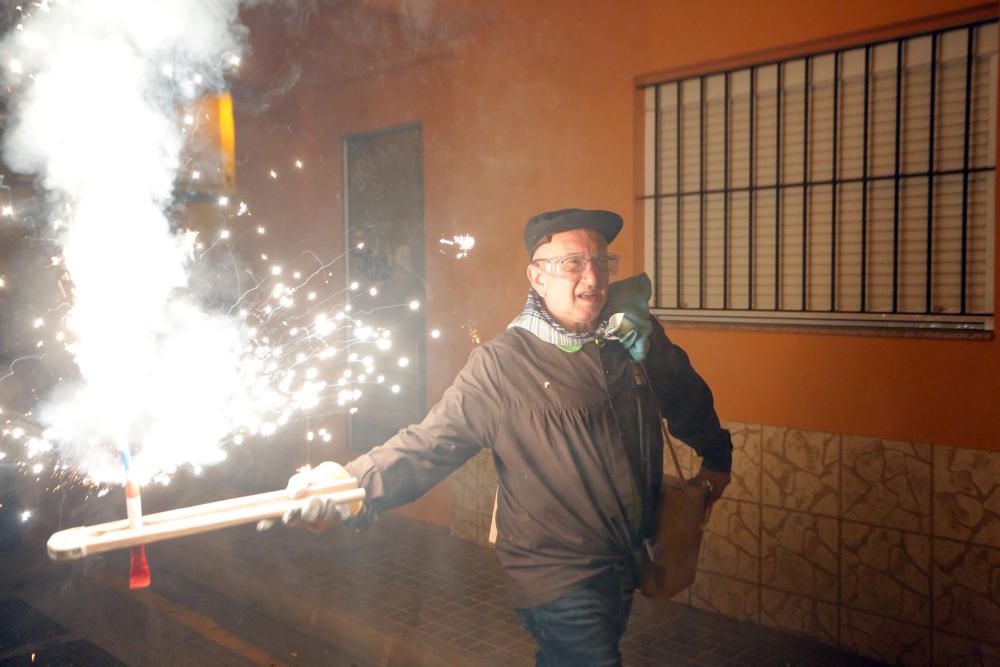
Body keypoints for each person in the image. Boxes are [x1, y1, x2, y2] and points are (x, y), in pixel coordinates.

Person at [284, 209, 733, 666]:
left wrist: (716, 454)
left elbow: (684, 396)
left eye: (602, 261)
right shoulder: (502, 365)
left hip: (626, 557)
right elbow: (430, 443)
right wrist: (350, 486)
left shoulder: (628, 338)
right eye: (572, 263)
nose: (593, 276)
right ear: (537, 277)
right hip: (557, 573)